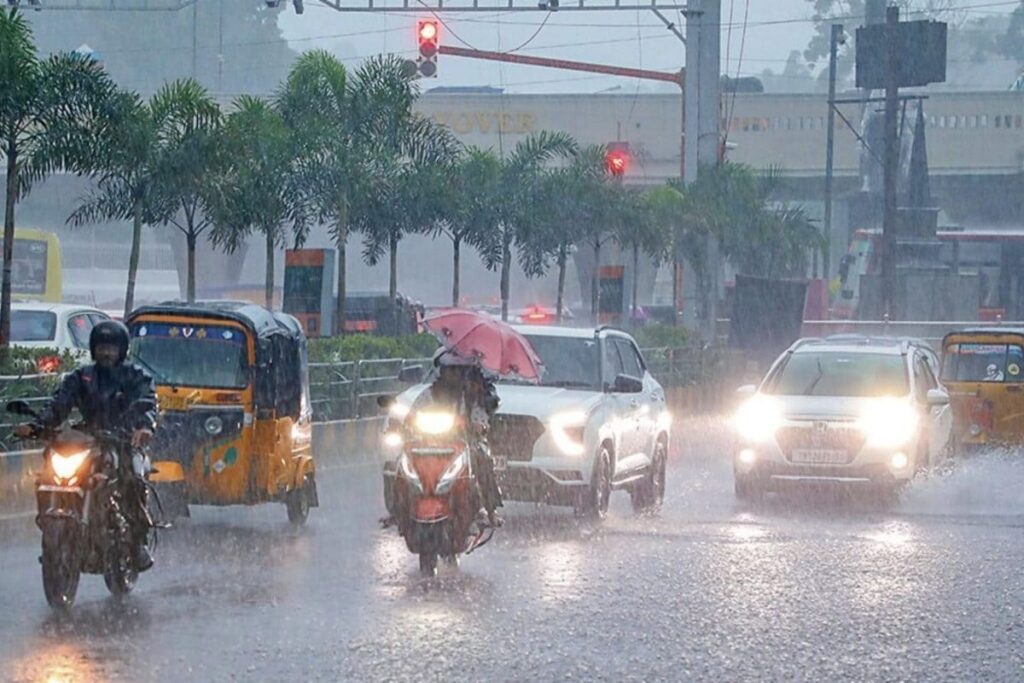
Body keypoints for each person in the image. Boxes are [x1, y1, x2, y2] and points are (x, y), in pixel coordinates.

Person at [14, 320, 158, 570]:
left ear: (122, 350)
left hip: (123, 439)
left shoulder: (135, 376)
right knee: (49, 470)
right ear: (93, 348)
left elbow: (147, 401)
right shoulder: (81, 377)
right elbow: (59, 404)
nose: (106, 353)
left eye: (111, 348)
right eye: (101, 347)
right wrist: (38, 425)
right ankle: (50, 525)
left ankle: (138, 542)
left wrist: (144, 426)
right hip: (88, 437)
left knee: (133, 478)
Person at [410, 350, 504, 526]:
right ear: (442, 371)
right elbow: (413, 415)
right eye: (450, 370)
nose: (454, 375)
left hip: (464, 444)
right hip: (427, 446)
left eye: (460, 370)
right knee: (400, 464)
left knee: (482, 458)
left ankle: (490, 509)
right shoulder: (428, 395)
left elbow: (480, 417)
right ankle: (398, 509)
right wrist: (406, 425)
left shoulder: (471, 396)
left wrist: (479, 425)